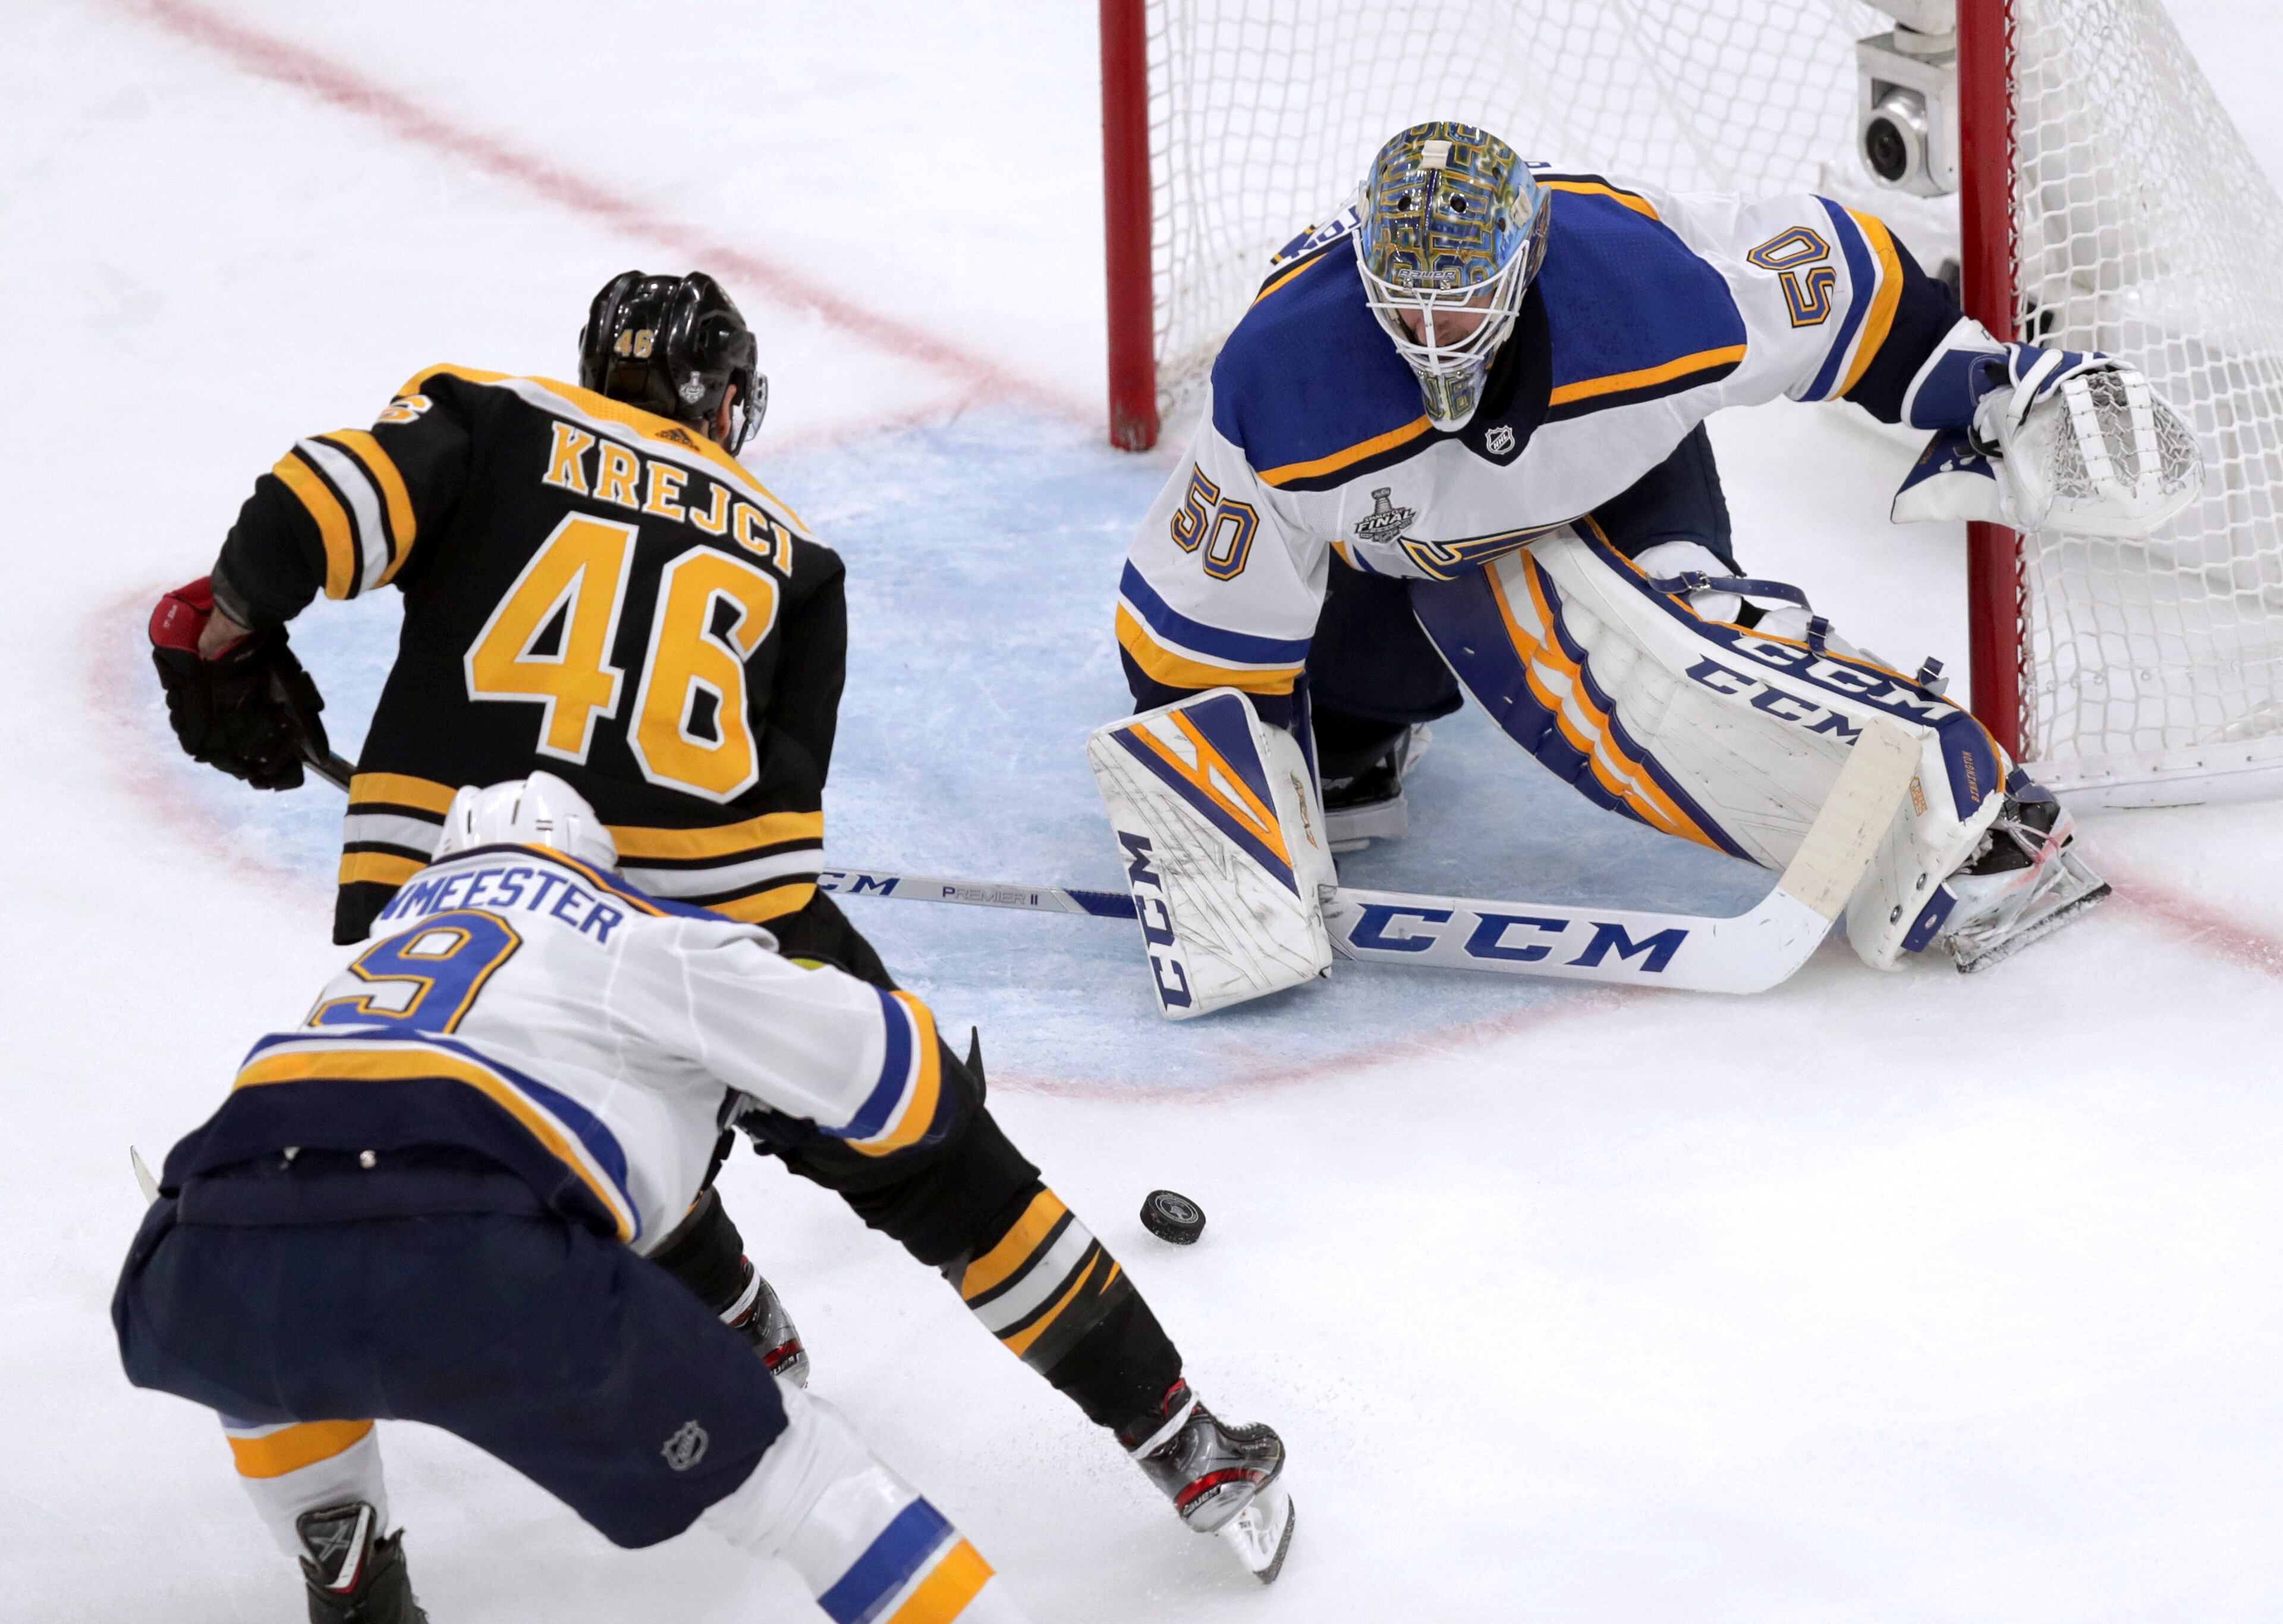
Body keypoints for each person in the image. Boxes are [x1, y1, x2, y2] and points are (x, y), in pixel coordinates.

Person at [114, 775, 1294, 1623]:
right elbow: (897, 1085)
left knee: (277, 1290)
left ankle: (347, 1565)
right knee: (808, 1485)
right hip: (477, 1251)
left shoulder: (363, 967)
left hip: (193, 1246)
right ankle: (1170, 1441)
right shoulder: (636, 931)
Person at [1112, 121, 2200, 982]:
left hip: (1617, 479)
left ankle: (1945, 809)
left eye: (1465, 308)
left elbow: (1849, 289)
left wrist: (2002, 383)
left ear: (1528, 262)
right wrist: (1229, 833)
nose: (1438, 343)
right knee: (1352, 678)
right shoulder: (1288, 379)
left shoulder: (1647, 288)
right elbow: (1190, 627)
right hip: (1405, 567)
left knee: (1661, 651)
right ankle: (1356, 741)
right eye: (1412, 311)